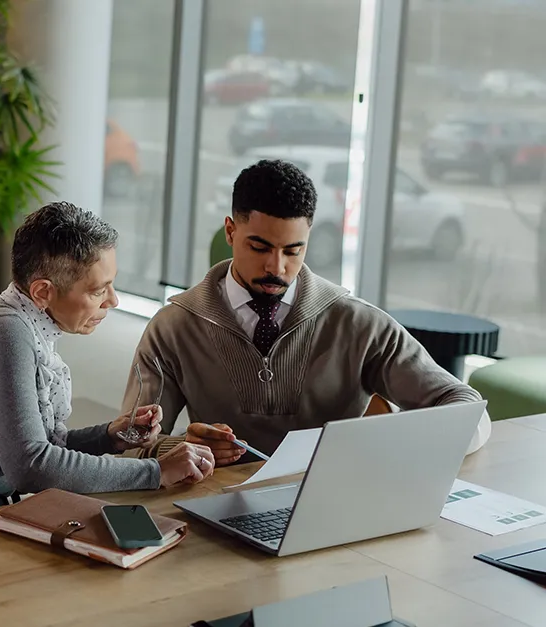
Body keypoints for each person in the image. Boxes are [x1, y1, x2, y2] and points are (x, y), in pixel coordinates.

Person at [0, 201, 216, 530]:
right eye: (98, 290)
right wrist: (154, 471)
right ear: (43, 292)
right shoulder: (3, 333)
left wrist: (110, 436)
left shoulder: (27, 326)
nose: (113, 300)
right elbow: (31, 466)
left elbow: (34, 446)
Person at [121, 159, 492, 466]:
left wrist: (396, 445)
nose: (276, 267)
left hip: (331, 501)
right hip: (214, 500)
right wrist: (181, 448)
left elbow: (468, 410)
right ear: (231, 231)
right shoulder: (172, 327)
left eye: (293, 251)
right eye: (260, 247)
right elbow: (130, 442)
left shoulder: (358, 323)